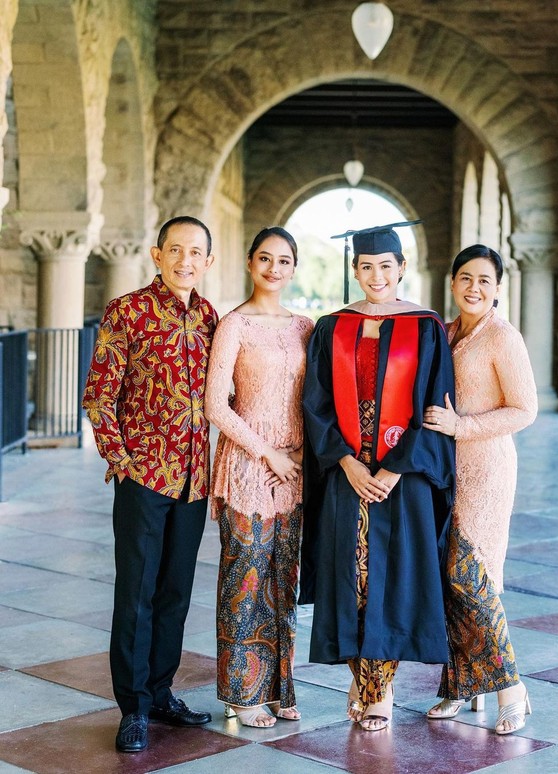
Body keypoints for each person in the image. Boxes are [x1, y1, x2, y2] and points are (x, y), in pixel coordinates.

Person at [300, 222, 456, 732]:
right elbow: (316, 404)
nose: (376, 276)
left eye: (385, 266)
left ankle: (379, 689)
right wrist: (345, 461)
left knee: (391, 579)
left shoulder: (426, 326)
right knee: (353, 576)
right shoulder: (332, 326)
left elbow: (435, 405)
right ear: (354, 270)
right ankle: (360, 675)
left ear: (401, 268)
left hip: (402, 474)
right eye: (366, 267)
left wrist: (393, 468)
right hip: (347, 470)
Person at [83, 216, 218, 753]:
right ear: (156, 254)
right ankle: (134, 707)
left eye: (196, 252)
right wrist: (123, 462)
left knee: (175, 593)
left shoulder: (209, 317)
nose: (186, 260)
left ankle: (161, 692)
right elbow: (100, 394)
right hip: (144, 475)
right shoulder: (128, 310)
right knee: (136, 593)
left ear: (208, 261)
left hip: (193, 479)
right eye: (176, 249)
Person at [424, 244, 537, 735]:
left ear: (497, 289)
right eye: (466, 278)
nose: (474, 288)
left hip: (486, 470)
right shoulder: (446, 332)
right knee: (448, 579)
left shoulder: (502, 338)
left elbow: (523, 410)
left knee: (471, 575)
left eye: (484, 281)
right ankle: (459, 684)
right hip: (444, 473)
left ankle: (511, 689)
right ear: (452, 283)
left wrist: (458, 426)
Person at [204, 226, 314, 728]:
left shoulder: (305, 327)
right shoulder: (234, 325)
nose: (274, 268)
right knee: (244, 578)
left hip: (294, 469)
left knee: (281, 581)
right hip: (249, 465)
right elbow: (215, 407)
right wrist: (268, 453)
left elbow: (315, 401)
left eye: (284, 260)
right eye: (265, 258)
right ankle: (242, 693)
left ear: (294, 268)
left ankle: (278, 687)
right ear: (250, 263)